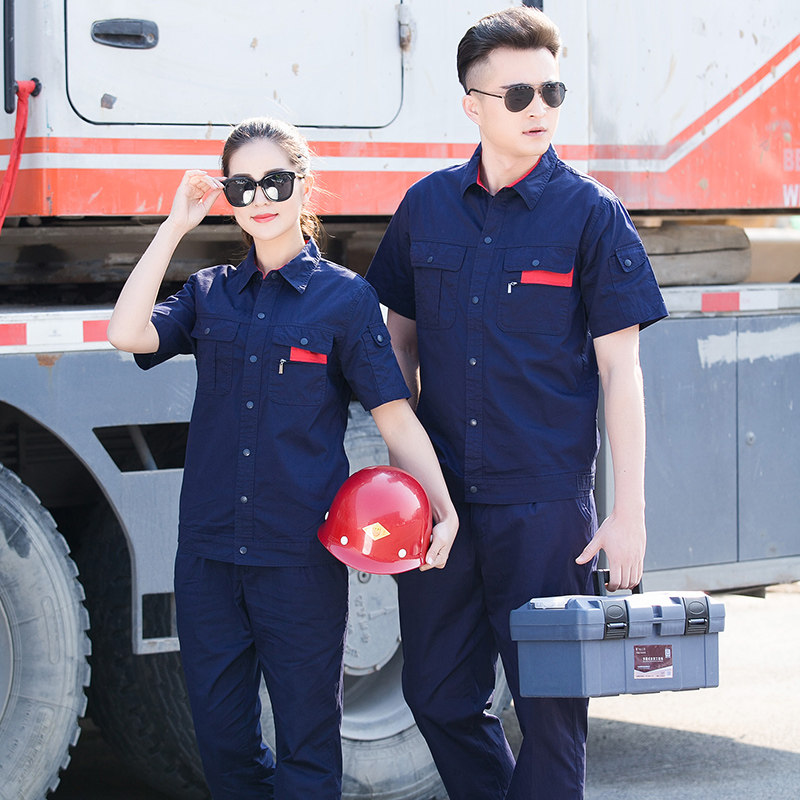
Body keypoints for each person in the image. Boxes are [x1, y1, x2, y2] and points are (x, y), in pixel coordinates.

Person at [107, 116, 458, 800]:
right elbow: (127, 331)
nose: (259, 198)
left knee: (308, 751)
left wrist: (441, 510)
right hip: (209, 558)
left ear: (303, 185)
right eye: (242, 186)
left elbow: (395, 417)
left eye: (274, 180)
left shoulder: (345, 299)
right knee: (224, 750)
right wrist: (175, 225)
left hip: (299, 560)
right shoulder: (209, 293)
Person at [366, 7, 668, 800]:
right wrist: (409, 471)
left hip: (545, 512)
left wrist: (628, 512)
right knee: (436, 694)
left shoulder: (592, 215)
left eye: (552, 91)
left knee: (552, 716)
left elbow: (622, 372)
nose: (540, 108)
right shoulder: (426, 207)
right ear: (472, 105)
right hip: (442, 506)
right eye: (519, 94)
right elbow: (396, 343)